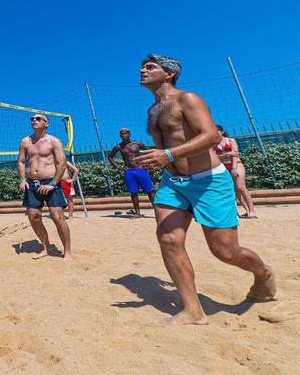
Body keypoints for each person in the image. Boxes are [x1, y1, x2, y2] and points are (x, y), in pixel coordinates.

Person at [134, 54, 275, 325]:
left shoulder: (188, 99)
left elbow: (211, 135)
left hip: (208, 180)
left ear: (169, 74)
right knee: (169, 240)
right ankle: (193, 310)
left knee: (225, 252)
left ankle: (263, 274)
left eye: (150, 67)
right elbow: (169, 147)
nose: (142, 70)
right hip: (173, 183)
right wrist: (158, 159)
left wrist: (169, 155)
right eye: (142, 66)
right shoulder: (152, 110)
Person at [17, 113, 71, 261]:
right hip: (32, 184)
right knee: (34, 217)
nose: (34, 120)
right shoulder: (25, 141)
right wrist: (22, 179)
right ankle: (45, 247)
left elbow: (62, 164)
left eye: (38, 119)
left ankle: (67, 252)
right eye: (32, 119)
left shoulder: (54, 141)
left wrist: (53, 184)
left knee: (58, 216)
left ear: (46, 123)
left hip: (50, 183)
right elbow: (21, 162)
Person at [108, 128, 155, 217]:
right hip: (129, 171)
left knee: (150, 191)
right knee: (133, 192)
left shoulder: (137, 144)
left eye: (125, 133)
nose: (123, 135)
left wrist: (147, 163)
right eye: (121, 134)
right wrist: (119, 167)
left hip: (141, 170)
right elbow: (110, 157)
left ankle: (157, 211)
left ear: (129, 134)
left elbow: (149, 152)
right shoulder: (119, 147)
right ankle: (137, 213)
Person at [215, 125, 257, 219]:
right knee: (233, 190)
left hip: (236, 164)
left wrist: (234, 167)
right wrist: (227, 154)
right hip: (224, 166)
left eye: (217, 130)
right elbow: (216, 157)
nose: (215, 132)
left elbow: (235, 154)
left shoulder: (231, 140)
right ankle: (246, 210)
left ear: (222, 131)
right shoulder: (213, 143)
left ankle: (252, 211)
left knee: (241, 187)